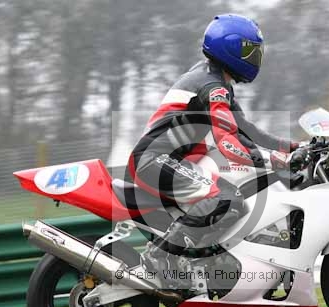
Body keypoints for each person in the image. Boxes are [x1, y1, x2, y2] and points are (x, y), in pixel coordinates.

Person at [127, 14, 313, 289]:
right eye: (249, 50)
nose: (255, 57)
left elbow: (247, 131)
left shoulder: (214, 79)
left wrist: (292, 147)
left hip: (169, 159)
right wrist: (272, 160)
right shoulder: (212, 87)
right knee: (227, 200)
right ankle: (161, 255)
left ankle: (205, 263)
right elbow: (226, 139)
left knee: (237, 192)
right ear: (230, 48)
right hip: (155, 160)